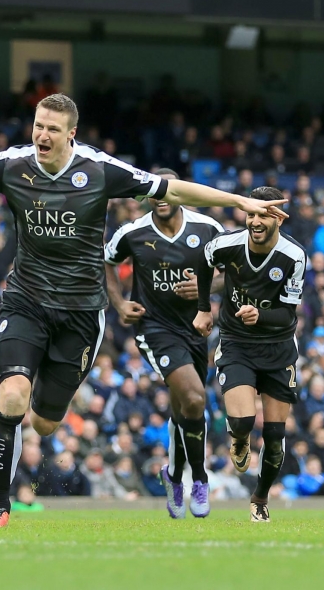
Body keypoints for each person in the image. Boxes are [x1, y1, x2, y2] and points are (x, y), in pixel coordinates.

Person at [0, 93, 286, 528]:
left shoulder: (100, 170)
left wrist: (240, 201)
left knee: (45, 422)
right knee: (11, 399)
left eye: (51, 129)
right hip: (26, 300)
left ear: (72, 133)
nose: (41, 135)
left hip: (82, 314)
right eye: (37, 126)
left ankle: (42, 393)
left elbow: (172, 188)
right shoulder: (12, 165)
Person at [103, 167, 224, 519]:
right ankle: (199, 480)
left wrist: (205, 290)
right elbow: (107, 262)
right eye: (153, 192)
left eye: (167, 191)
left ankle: (172, 476)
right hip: (154, 329)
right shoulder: (133, 232)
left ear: (181, 194)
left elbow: (228, 271)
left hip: (195, 329)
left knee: (184, 409)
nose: (159, 198)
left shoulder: (208, 229)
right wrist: (120, 302)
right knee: (194, 397)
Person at [194, 186, 306, 523]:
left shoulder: (293, 257)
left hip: (278, 348)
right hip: (237, 343)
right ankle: (239, 440)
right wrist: (203, 309)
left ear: (278, 219)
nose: (255, 221)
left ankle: (259, 498)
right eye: (251, 214)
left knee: (274, 437)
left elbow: (289, 314)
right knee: (242, 422)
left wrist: (261, 315)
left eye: (262, 215)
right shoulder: (227, 244)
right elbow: (203, 261)